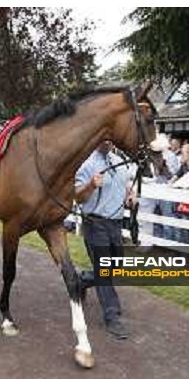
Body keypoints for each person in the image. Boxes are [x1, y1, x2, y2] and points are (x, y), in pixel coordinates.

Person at [75, 140, 136, 340]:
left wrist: (130, 195)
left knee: (116, 267)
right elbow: (78, 197)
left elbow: (124, 185)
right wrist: (91, 185)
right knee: (104, 271)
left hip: (115, 224)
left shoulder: (119, 161)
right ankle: (112, 316)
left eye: (111, 138)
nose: (108, 141)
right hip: (95, 222)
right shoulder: (86, 165)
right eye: (104, 138)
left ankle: (82, 280)